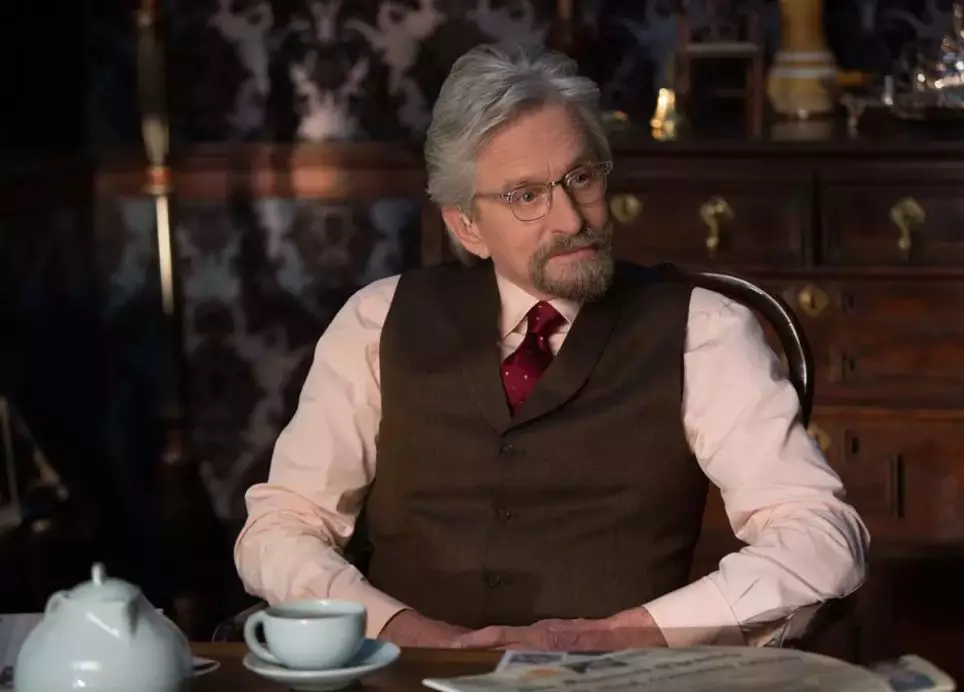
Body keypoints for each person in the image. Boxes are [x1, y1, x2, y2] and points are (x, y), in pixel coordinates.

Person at [234, 44, 870, 652]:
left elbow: (822, 538)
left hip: (612, 680)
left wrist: (626, 634)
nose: (571, 219)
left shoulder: (703, 331)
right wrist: (404, 633)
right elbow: (281, 529)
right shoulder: (376, 321)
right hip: (406, 676)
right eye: (526, 196)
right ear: (467, 226)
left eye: (581, 178)